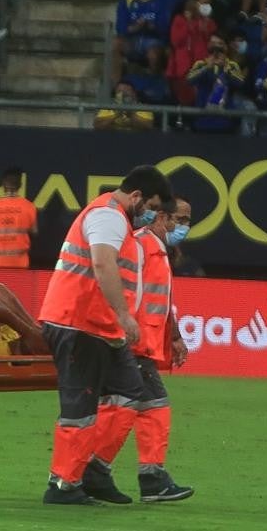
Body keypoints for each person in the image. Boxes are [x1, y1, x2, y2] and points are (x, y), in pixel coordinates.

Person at [38, 165, 172, 506]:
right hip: (77, 322)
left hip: (99, 325)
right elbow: (102, 264)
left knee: (129, 390)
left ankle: (93, 471)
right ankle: (63, 485)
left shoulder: (118, 221)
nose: (152, 215)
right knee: (80, 407)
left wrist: (117, 322)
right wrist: (124, 315)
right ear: (136, 196)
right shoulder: (108, 217)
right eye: (152, 207)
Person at [89, 199, 193, 503]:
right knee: (138, 405)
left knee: (150, 405)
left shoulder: (157, 250)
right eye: (181, 219)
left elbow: (160, 300)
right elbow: (125, 292)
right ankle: (97, 469)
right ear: (162, 216)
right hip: (130, 343)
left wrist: (174, 336)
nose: (185, 227)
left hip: (141, 343)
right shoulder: (141, 246)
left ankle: (148, 477)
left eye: (188, 221)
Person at [0, 167, 37, 269]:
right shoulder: (28, 206)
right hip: (20, 264)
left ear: (3, 184)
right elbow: (34, 231)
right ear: (20, 185)